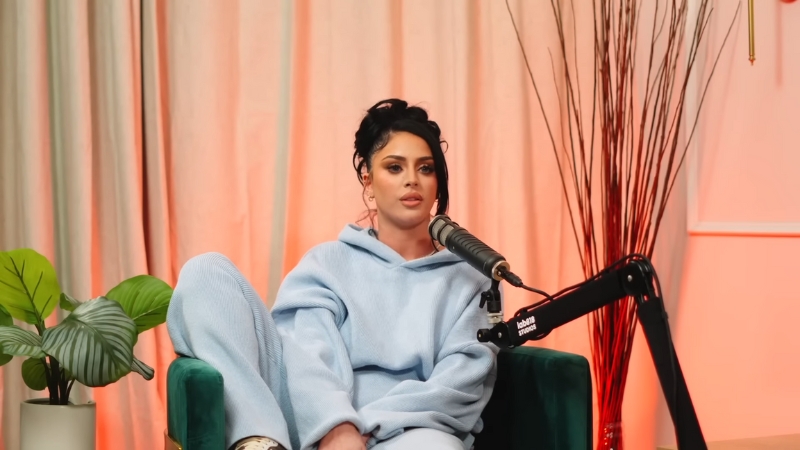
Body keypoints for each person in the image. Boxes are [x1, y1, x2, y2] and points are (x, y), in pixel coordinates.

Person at [166, 99, 499, 450]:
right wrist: (336, 427)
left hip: (408, 431)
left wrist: (363, 428)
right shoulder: (326, 263)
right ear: (368, 180)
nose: (412, 180)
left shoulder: (474, 278)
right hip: (307, 424)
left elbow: (457, 384)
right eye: (394, 167)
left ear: (438, 181)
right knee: (206, 271)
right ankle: (260, 440)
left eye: (426, 168)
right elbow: (305, 355)